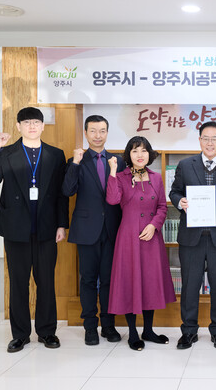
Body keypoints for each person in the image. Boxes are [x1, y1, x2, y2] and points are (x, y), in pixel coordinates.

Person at [0, 107, 68, 353]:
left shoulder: (55, 154)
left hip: (46, 228)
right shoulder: (6, 151)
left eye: (36, 122)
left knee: (46, 282)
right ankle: (20, 335)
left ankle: (47, 332)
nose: (32, 126)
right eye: (27, 122)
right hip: (15, 228)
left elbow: (61, 194)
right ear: (18, 126)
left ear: (43, 126)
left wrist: (62, 224)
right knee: (18, 283)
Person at [169, 121, 216, 350]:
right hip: (192, 236)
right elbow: (175, 192)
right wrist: (179, 202)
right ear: (199, 140)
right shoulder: (185, 165)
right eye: (205, 138)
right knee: (190, 285)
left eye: (214, 138)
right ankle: (188, 331)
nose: (210, 143)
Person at [106, 136, 175, 351]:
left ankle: (148, 330)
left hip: (151, 238)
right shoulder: (121, 177)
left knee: (149, 282)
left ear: (149, 154)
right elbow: (112, 199)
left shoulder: (156, 177)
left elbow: (162, 207)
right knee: (130, 281)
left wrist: (154, 225)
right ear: (129, 154)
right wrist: (112, 172)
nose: (139, 155)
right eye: (135, 150)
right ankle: (133, 333)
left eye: (144, 150)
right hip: (129, 238)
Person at [62, 115, 126, 346]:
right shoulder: (77, 160)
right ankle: (90, 326)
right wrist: (75, 163)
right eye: (93, 131)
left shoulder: (118, 161)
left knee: (109, 280)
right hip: (86, 230)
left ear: (107, 133)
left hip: (112, 230)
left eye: (102, 131)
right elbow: (68, 190)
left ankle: (108, 325)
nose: (98, 136)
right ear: (86, 133)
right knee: (88, 280)